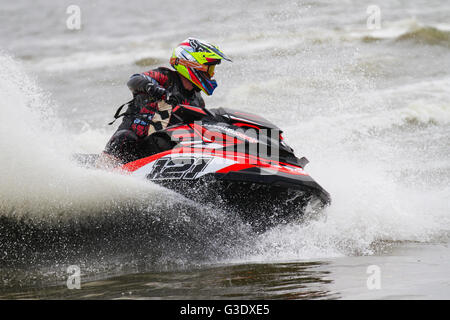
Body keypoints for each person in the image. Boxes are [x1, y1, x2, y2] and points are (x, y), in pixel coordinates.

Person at [96, 37, 232, 168]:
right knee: (125, 137)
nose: (212, 75)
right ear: (192, 64)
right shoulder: (165, 77)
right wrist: (155, 90)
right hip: (131, 147)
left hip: (158, 152)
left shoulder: (197, 100)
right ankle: (102, 170)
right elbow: (134, 80)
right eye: (209, 69)